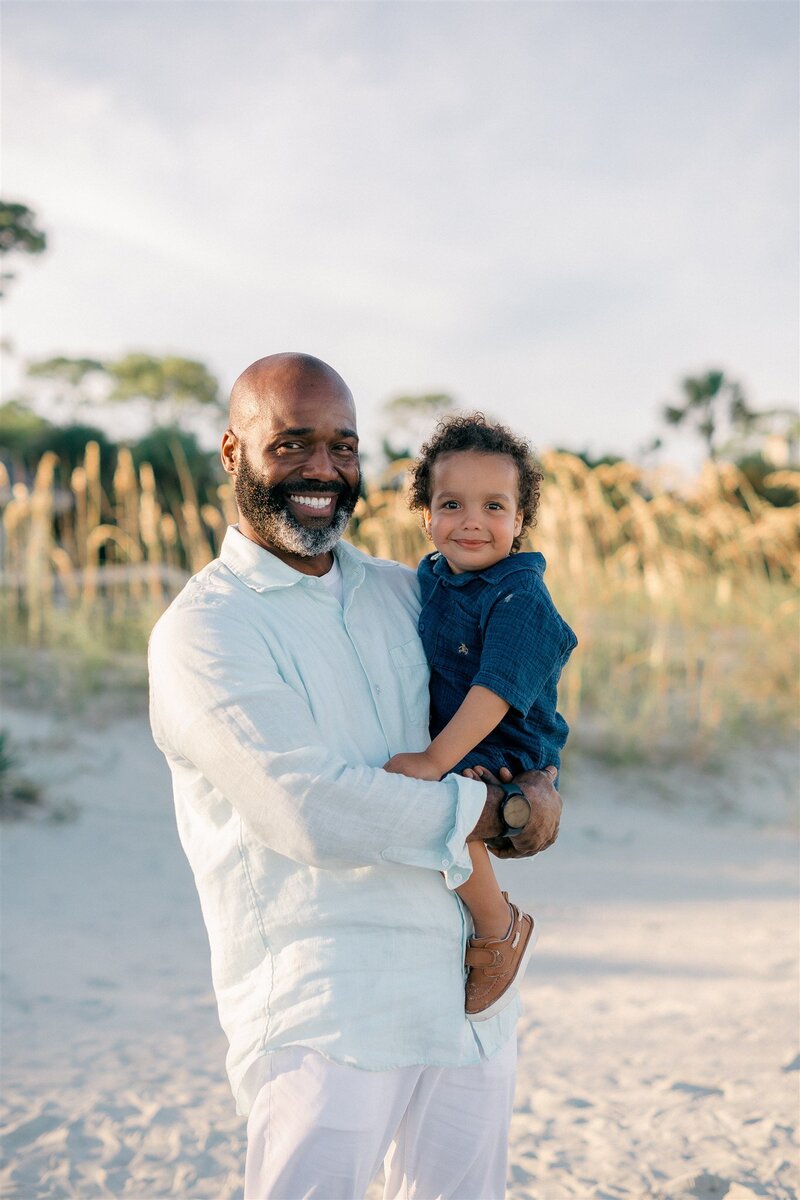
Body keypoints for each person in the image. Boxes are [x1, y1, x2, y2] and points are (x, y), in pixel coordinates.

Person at [148, 352, 563, 1200]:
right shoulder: (206, 630)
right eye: (291, 444)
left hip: (465, 999)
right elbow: (310, 811)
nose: (322, 469)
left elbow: (505, 691)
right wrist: (498, 813)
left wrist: (541, 782)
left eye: (343, 447)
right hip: (330, 1012)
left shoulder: (405, 591)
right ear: (232, 452)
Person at [384, 414, 577, 1022]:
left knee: (455, 806)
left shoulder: (521, 596)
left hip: (509, 739)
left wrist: (434, 758)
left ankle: (500, 928)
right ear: (426, 516)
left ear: (519, 520)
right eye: (452, 504)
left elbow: (495, 691)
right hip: (462, 731)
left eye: (494, 506)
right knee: (443, 804)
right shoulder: (433, 577)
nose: (471, 521)